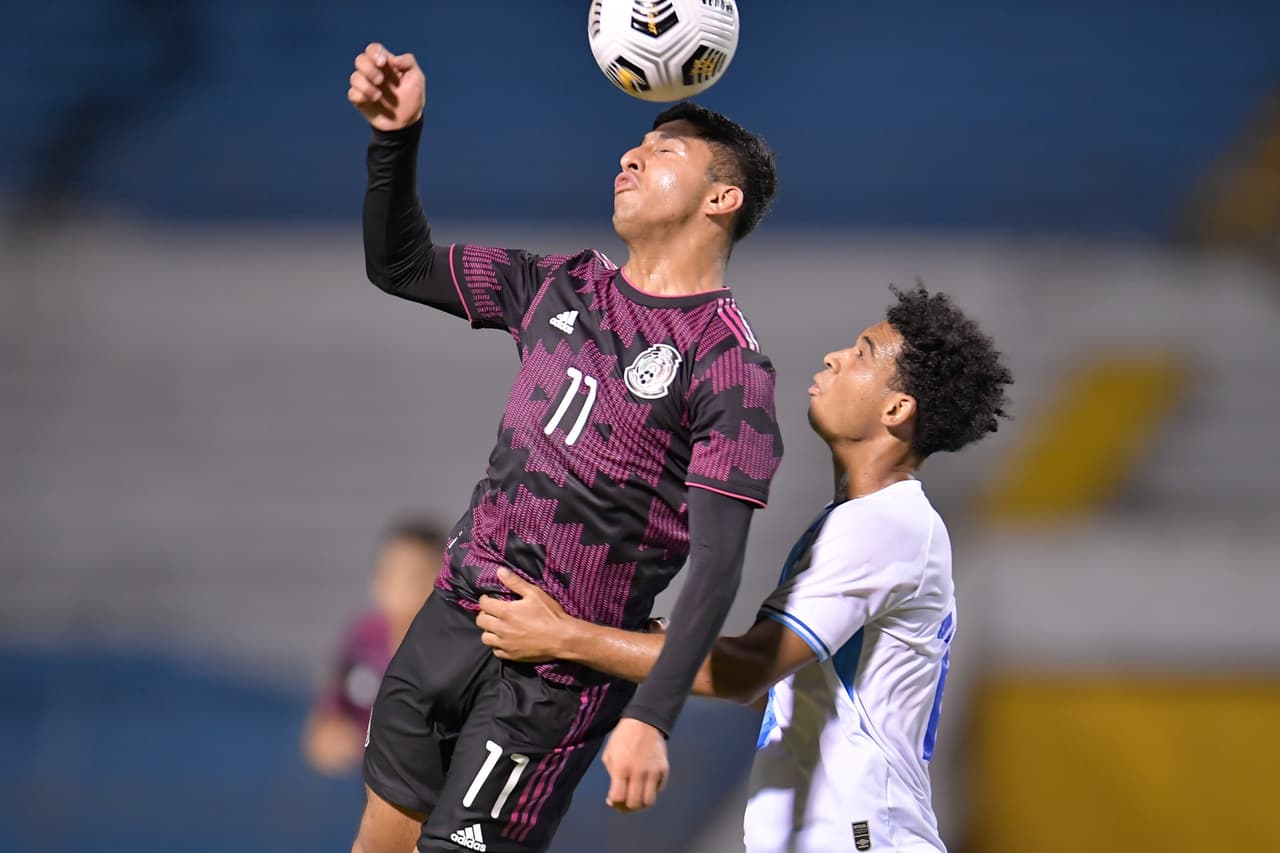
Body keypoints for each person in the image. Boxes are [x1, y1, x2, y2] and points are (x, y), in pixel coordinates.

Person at [346, 41, 783, 853]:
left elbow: (717, 569)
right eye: (636, 143)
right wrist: (395, 139)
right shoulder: (558, 284)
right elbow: (398, 264)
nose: (631, 155)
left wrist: (652, 715)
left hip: (551, 678)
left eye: (664, 151)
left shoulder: (729, 365)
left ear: (722, 196)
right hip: (450, 616)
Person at [477, 286, 1014, 852]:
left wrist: (566, 638)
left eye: (861, 353)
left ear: (897, 408)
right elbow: (791, 687)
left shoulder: (884, 527)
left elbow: (747, 671)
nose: (835, 357)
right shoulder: (869, 522)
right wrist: (652, 646)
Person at [303, 518, 445, 777]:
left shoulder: (456, 652)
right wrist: (333, 739)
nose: (391, 582)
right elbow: (322, 731)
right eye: (385, 569)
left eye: (409, 574)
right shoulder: (362, 637)